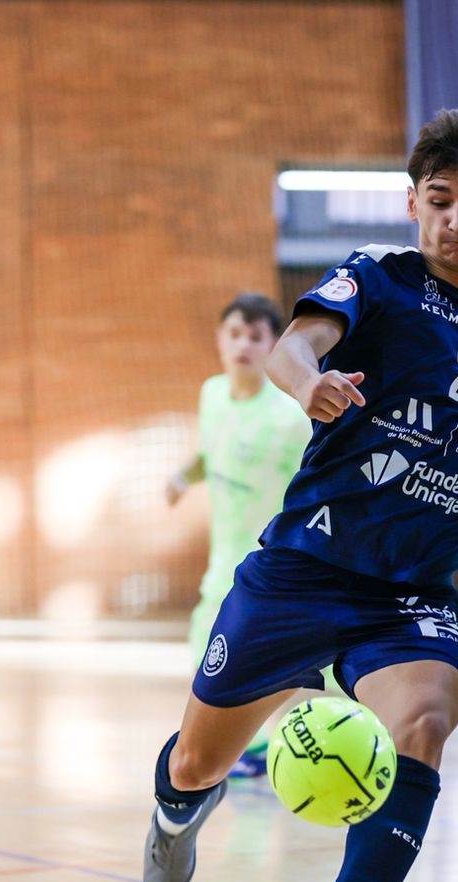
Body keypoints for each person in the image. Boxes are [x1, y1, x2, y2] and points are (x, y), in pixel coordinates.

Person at [140, 108, 458, 882]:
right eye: (441, 200)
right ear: (414, 203)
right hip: (299, 572)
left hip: (409, 595)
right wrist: (312, 384)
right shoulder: (377, 277)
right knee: (196, 758)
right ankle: (177, 809)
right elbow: (297, 347)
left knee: (424, 720)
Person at [165, 293, 312, 777]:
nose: (244, 345)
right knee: (202, 651)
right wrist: (184, 478)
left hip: (271, 563)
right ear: (220, 340)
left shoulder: (291, 415)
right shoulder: (211, 394)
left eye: (256, 336)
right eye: (235, 334)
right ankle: (240, 748)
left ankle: (261, 748)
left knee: (267, 664)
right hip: (221, 560)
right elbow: (213, 451)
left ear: (274, 345)